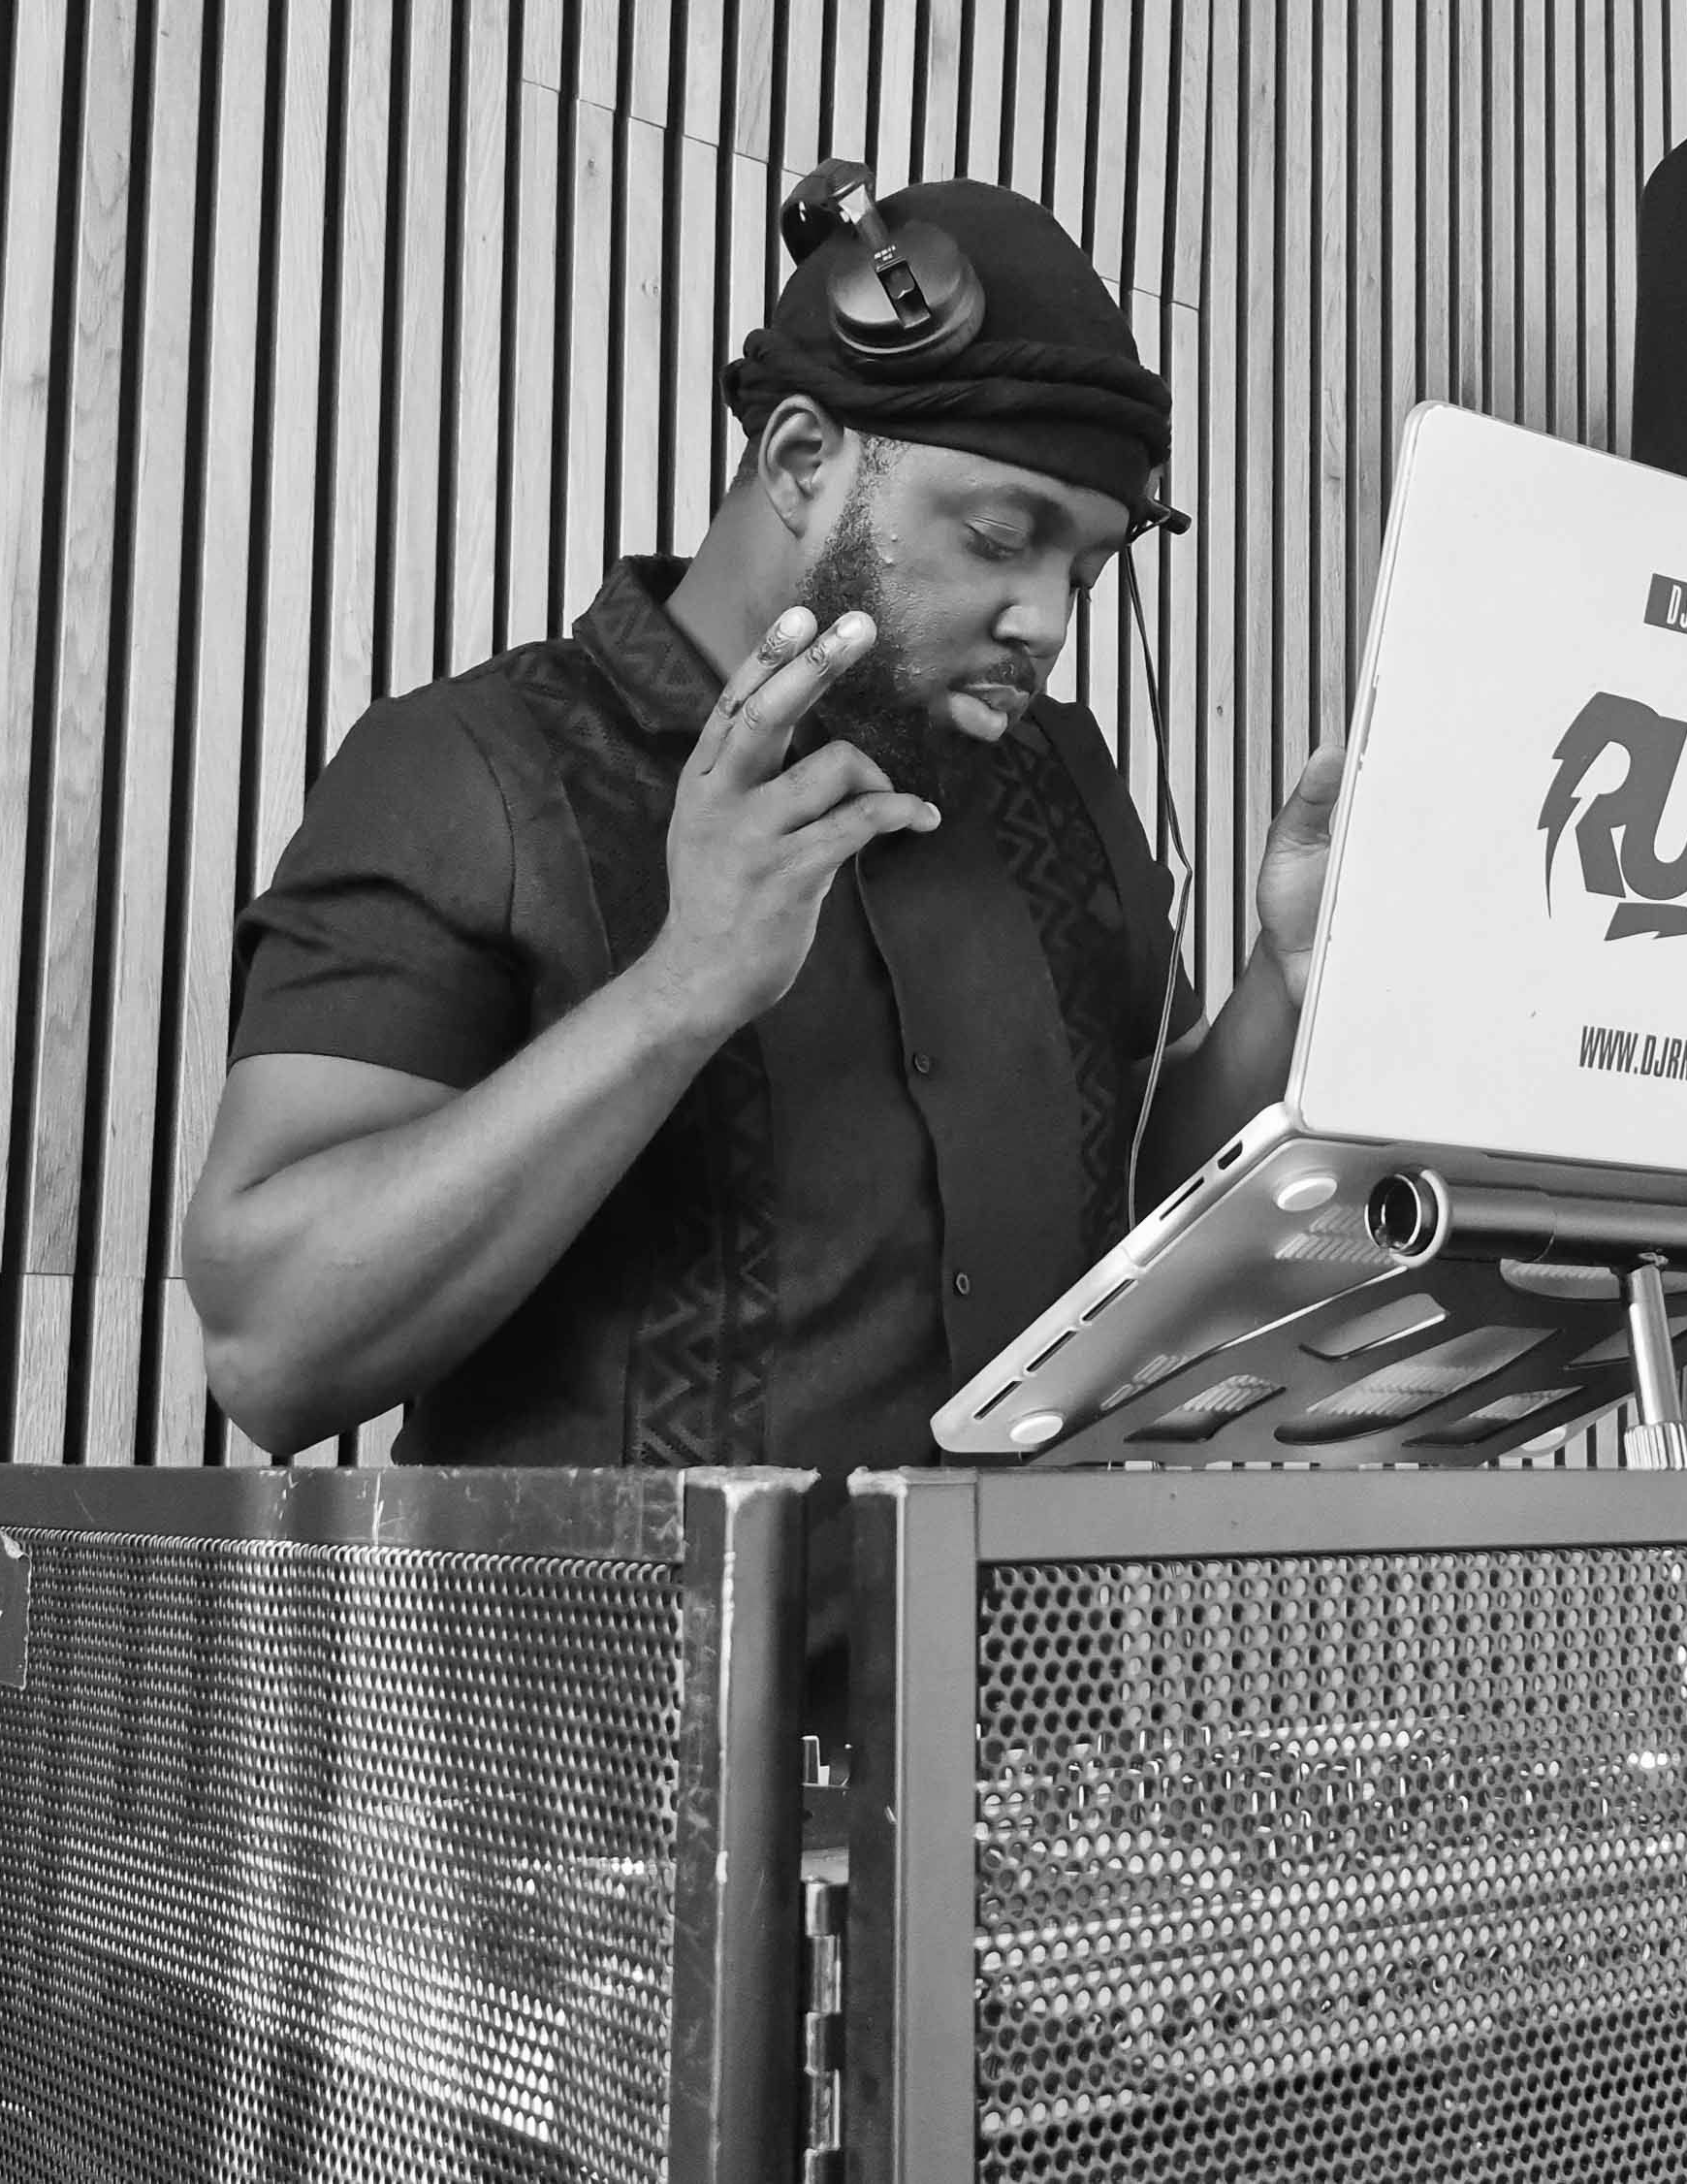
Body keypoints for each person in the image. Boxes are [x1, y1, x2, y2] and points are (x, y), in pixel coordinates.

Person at [182, 169, 1342, 1718]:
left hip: (1005, 1770)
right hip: (576, 1803)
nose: (1047, 620)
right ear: (802, 458)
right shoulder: (469, 772)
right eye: (1001, 536)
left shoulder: (1057, 784)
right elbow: (271, 1345)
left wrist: (1288, 986)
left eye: (1086, 567)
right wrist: (682, 991)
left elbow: (1127, 1221)